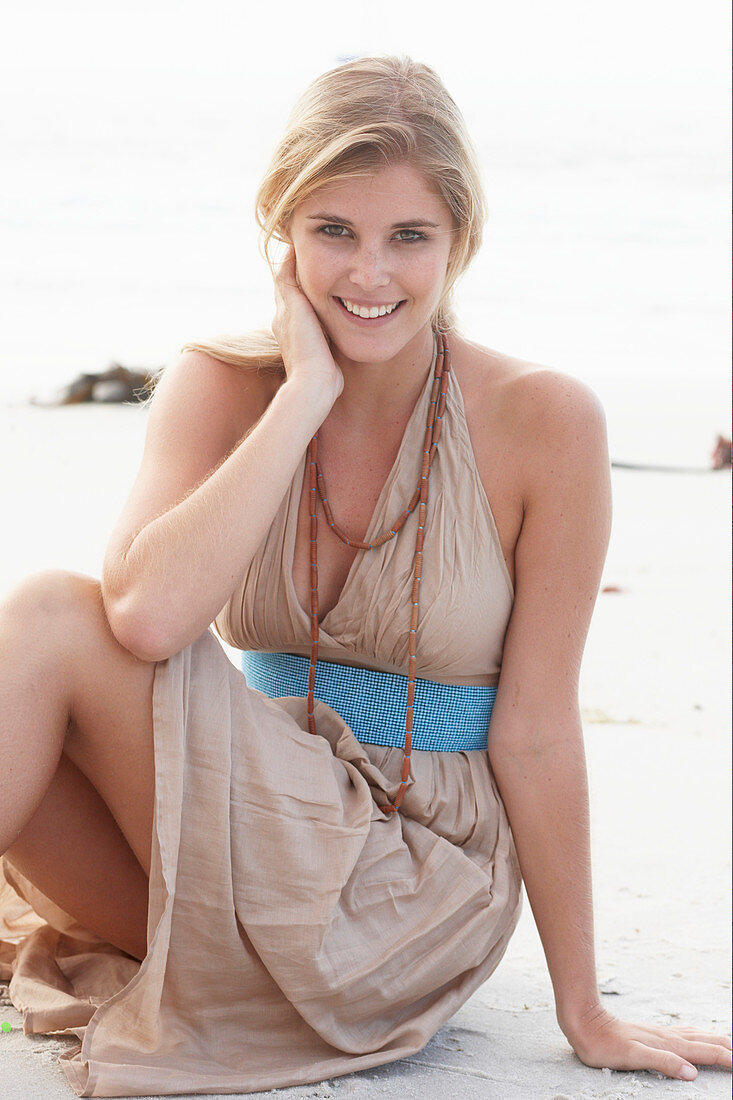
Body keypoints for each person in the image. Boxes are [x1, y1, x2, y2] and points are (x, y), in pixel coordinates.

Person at [0, 56, 729, 1096]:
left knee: (39, 616)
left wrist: (583, 1006)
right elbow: (149, 614)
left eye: (409, 237)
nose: (369, 274)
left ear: (460, 243)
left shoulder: (544, 421)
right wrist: (300, 395)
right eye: (334, 231)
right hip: (239, 838)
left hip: (412, 887)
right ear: (282, 236)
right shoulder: (222, 383)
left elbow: (533, 726)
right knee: (51, 631)